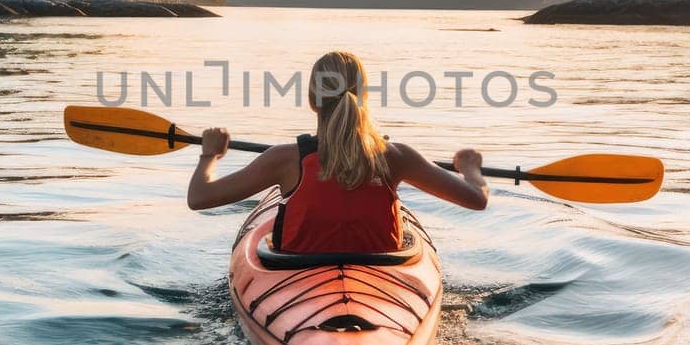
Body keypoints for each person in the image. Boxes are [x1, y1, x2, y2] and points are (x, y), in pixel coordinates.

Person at [186, 51, 487, 251]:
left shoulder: (285, 160)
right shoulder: (396, 157)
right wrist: (470, 167)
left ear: (312, 100)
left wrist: (209, 155)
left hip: (298, 277)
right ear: (363, 97)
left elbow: (199, 197)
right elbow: (476, 199)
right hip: (378, 277)